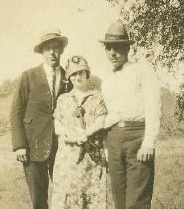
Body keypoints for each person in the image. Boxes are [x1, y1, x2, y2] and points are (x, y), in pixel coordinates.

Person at [99, 23, 161, 209]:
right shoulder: (107, 80)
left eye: (117, 48)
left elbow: (153, 105)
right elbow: (108, 115)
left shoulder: (142, 70)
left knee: (137, 201)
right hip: (114, 138)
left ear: (127, 48)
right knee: (120, 200)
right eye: (108, 48)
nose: (113, 53)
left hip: (137, 136)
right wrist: (107, 147)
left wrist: (149, 141)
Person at [10, 28, 68, 209]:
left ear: (61, 50)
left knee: (66, 194)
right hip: (33, 146)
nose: (52, 52)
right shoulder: (28, 76)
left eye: (56, 48)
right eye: (48, 48)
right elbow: (16, 112)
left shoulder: (69, 77)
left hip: (63, 147)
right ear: (42, 52)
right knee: (39, 200)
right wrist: (20, 145)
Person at [52, 55, 108, 209]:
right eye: (74, 74)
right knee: (67, 199)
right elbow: (57, 124)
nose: (78, 77)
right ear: (69, 77)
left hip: (92, 160)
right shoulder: (63, 99)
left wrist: (86, 133)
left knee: (91, 200)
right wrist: (69, 134)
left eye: (82, 73)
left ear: (87, 74)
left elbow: (101, 121)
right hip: (67, 160)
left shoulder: (97, 97)